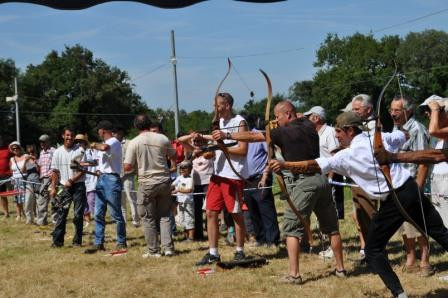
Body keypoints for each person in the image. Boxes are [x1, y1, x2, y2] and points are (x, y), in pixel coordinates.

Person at [270, 111, 448, 297]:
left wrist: (285, 165)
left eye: (339, 131)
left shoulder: (348, 154)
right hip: (411, 190)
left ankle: (399, 294)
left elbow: (313, 165)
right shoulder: (379, 138)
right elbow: (404, 135)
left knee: (372, 250)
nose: (336, 135)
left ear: (350, 131)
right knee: (441, 233)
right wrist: (403, 131)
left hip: (396, 198)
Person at [213, 101, 345, 283]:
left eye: (278, 116)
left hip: (303, 183)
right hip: (321, 179)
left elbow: (253, 136)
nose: (275, 120)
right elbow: (297, 117)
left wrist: (227, 134)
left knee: (291, 231)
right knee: (332, 229)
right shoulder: (308, 125)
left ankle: (294, 275)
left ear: (288, 115)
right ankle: (340, 269)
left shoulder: (282, 132)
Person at [195, 92, 249, 266]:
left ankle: (240, 251)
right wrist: (202, 139)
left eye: (218, 105)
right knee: (211, 212)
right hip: (217, 175)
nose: (215, 108)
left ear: (227, 105)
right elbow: (216, 141)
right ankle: (213, 253)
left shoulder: (239, 122)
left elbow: (242, 150)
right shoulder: (219, 123)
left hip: (232, 175)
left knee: (235, 214)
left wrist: (221, 148)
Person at [389, 95, 432, 276]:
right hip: (399, 185)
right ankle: (410, 259)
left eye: (397, 110)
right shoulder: (396, 128)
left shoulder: (417, 129)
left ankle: (425, 262)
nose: (393, 114)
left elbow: (423, 161)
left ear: (408, 111)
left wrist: (418, 189)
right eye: (391, 110)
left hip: (414, 185)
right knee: (404, 225)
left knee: (419, 223)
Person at [124, 114, 176, 257]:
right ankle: (168, 248)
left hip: (147, 183)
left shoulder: (134, 142)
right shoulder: (162, 138)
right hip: (164, 181)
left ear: (136, 126)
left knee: (148, 217)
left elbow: (127, 166)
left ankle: (154, 251)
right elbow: (174, 156)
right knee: (165, 215)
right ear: (149, 124)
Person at [305, 106, 343, 259]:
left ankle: (332, 247)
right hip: (320, 177)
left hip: (330, 178)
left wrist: (330, 178)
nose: (307, 120)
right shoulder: (314, 133)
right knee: (322, 214)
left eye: (309, 117)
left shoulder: (330, 132)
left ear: (316, 118)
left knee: (330, 215)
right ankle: (326, 244)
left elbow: (334, 157)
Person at [85, 121, 127, 253]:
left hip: (111, 179)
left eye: (99, 131)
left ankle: (121, 241)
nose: (98, 133)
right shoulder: (104, 144)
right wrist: (80, 164)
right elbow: (97, 162)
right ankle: (99, 242)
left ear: (102, 130)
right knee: (98, 213)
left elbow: (103, 148)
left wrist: (93, 144)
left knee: (116, 214)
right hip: (101, 179)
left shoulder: (114, 141)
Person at [242, 114, 280, 247]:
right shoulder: (241, 138)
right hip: (246, 180)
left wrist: (265, 176)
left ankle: (272, 240)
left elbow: (270, 156)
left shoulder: (259, 136)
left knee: (266, 209)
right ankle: (261, 238)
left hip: (260, 177)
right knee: (253, 211)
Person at [350, 94, 378, 261]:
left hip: (369, 177)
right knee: (360, 215)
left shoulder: (376, 126)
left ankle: (376, 252)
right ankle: (368, 250)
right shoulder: (356, 126)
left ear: (368, 110)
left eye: (357, 109)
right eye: (353, 109)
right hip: (356, 175)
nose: (354, 112)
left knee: (370, 215)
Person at [50, 128, 87, 247]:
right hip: (63, 186)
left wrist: (72, 180)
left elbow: (83, 170)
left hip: (78, 186)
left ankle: (77, 242)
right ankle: (57, 242)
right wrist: (54, 187)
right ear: (63, 136)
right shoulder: (57, 152)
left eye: (71, 135)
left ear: (74, 137)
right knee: (61, 213)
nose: (69, 138)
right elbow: (55, 171)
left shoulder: (80, 150)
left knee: (77, 215)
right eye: (67, 135)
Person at [113, 126, 140, 227]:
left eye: (116, 133)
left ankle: (136, 219)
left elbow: (134, 158)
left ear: (121, 133)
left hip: (128, 174)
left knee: (131, 197)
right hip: (116, 175)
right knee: (120, 199)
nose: (115, 135)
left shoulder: (129, 142)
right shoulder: (112, 144)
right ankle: (123, 220)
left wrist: (135, 171)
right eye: (114, 133)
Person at [172, 160, 195, 241]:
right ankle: (186, 236)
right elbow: (172, 185)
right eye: (181, 168)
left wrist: (178, 190)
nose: (182, 170)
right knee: (183, 220)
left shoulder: (190, 179)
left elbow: (189, 190)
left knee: (189, 219)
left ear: (190, 169)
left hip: (188, 202)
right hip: (180, 202)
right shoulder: (179, 178)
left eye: (185, 168)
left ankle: (191, 237)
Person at [36, 134, 55, 226]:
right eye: (41, 142)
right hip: (43, 179)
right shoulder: (41, 152)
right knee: (42, 200)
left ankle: (56, 220)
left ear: (48, 142)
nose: (42, 143)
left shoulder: (54, 151)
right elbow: (40, 165)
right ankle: (42, 221)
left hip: (52, 179)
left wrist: (54, 176)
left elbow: (56, 165)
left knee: (53, 199)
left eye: (44, 141)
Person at [9, 141, 27, 221]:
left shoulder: (25, 156)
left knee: (25, 198)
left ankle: (28, 213)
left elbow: (26, 169)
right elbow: (11, 170)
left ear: (20, 148)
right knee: (17, 198)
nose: (15, 150)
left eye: (16, 148)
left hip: (24, 179)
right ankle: (19, 214)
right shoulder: (12, 159)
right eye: (13, 149)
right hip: (15, 180)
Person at [0, 136, 12, 218]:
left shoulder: (8, 150)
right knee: (2, 195)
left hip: (9, 175)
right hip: (0, 176)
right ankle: (6, 213)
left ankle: (20, 212)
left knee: (15, 193)